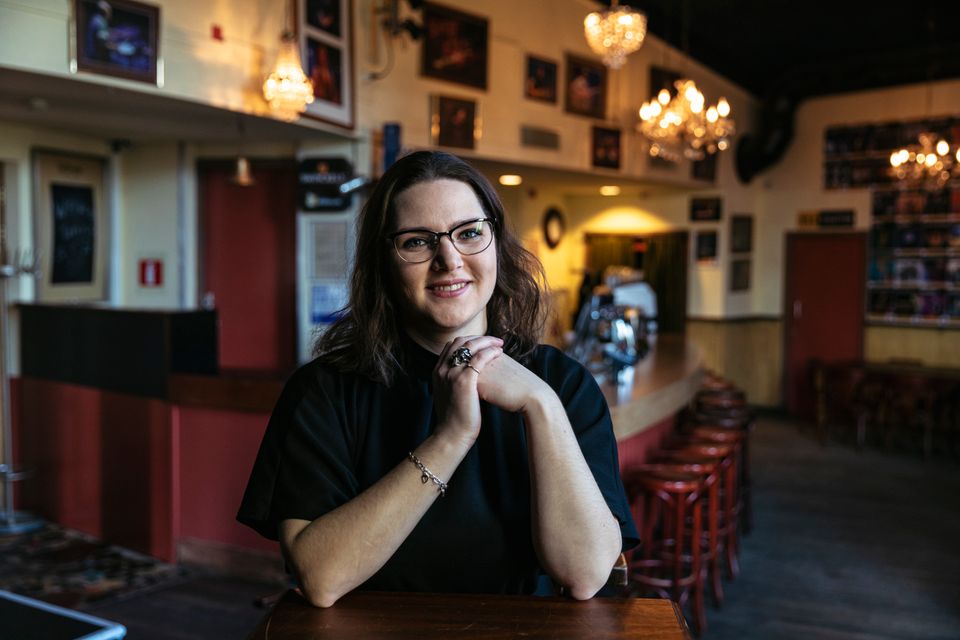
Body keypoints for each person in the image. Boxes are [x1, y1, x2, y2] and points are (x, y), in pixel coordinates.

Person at [237, 151, 638, 607]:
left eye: (469, 233)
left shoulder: (561, 385)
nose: (449, 260)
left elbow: (585, 574)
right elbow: (321, 578)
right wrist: (451, 437)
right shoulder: (324, 390)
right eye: (417, 242)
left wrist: (540, 405)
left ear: (497, 245)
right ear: (384, 263)